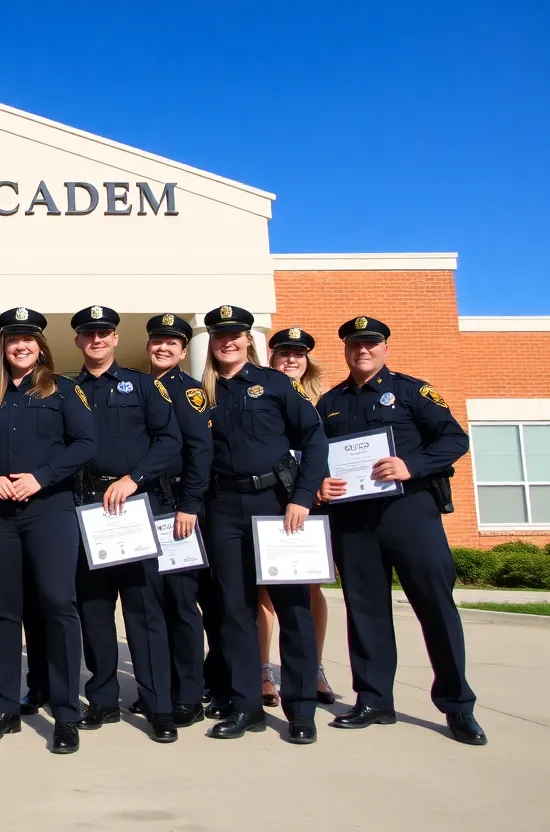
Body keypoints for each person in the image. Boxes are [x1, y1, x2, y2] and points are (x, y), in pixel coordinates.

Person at [317, 316, 486, 745]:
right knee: (366, 611)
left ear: (385, 348)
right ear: (346, 350)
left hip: (410, 512)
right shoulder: (331, 402)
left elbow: (454, 439)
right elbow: (316, 454)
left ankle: (457, 705)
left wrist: (412, 467)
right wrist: (320, 481)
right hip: (355, 522)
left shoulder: (413, 391)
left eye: (371, 344)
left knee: (435, 606)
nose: (363, 351)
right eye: (355, 345)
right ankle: (374, 700)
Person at [0, 307, 96, 754]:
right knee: (4, 612)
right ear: (2, 346)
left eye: (29, 339)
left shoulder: (63, 392)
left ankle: (65, 713)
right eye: (12, 339)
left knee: (59, 605)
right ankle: (3, 707)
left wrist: (41, 476)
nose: (20, 345)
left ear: (41, 346)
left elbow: (86, 443)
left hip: (49, 512)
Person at [200, 305, 326, 744]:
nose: (227, 342)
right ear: (212, 342)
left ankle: (302, 710)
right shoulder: (204, 393)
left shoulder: (274, 384)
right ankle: (246, 707)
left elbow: (313, 440)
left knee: (294, 609)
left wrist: (303, 498)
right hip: (224, 508)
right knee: (235, 612)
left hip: (276, 505)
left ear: (248, 340)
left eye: (235, 335)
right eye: (219, 336)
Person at [62, 306, 183, 741]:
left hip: (133, 504)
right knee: (93, 610)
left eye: (104, 332)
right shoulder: (65, 390)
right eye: (88, 333)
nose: (96, 339)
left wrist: (135, 479)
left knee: (144, 610)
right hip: (85, 507)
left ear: (115, 338)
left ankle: (157, 706)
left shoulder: (145, 386)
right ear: (78, 340)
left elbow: (170, 442)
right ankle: (103, 700)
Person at [140, 313, 213, 727]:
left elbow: (200, 452)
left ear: (184, 351)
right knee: (151, 604)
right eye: (158, 341)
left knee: (181, 603)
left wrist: (189, 505)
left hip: (175, 508)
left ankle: (189, 694)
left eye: (173, 343)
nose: (163, 348)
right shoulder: (139, 388)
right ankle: (160, 692)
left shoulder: (188, 393)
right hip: (142, 507)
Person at [259, 327, 336, 707]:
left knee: (309, 588)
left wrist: (320, 483)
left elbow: (329, 451)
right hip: (269, 503)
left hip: (310, 506)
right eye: (284, 353)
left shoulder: (324, 402)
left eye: (298, 354)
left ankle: (314, 666)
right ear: (270, 358)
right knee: (264, 591)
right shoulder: (262, 393)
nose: (291, 359)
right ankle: (264, 671)